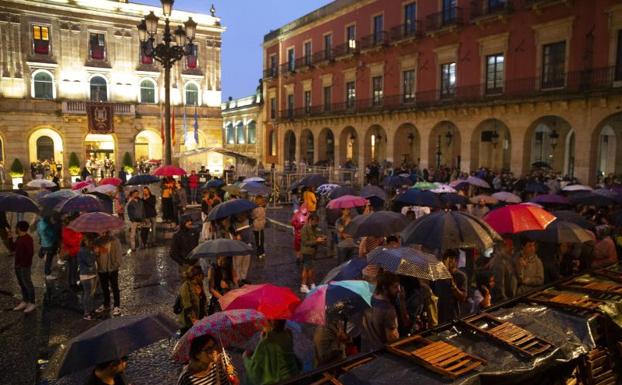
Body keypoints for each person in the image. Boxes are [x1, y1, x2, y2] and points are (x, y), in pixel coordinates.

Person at [243, 319, 301, 385]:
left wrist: (245, 358)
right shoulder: (288, 335)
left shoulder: (267, 341)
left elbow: (254, 370)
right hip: (294, 377)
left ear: (269, 322)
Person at [361, 271, 400, 352]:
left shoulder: (368, 299)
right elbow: (392, 339)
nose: (399, 290)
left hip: (367, 352)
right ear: (384, 288)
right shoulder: (388, 310)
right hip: (383, 354)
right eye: (395, 287)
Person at [8, 221, 36, 314]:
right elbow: (12, 248)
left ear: (19, 228)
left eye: (16, 227)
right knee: (22, 284)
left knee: (27, 283)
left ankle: (32, 302)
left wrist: (23, 264)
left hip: (24, 266)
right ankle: (25, 300)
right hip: (18, 265)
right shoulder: (19, 238)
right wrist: (10, 238)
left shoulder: (28, 239)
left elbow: (30, 253)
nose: (15, 229)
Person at [433, 250, 468, 324]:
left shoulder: (461, 276)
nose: (448, 263)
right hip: (440, 314)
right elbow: (435, 293)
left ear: (455, 261)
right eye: (445, 260)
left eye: (451, 260)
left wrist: (454, 287)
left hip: (454, 314)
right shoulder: (438, 275)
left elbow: (463, 297)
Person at [95, 235, 123, 317]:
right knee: (104, 287)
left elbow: (118, 256)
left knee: (114, 287)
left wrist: (114, 266)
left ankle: (117, 306)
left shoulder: (115, 241)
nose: (102, 233)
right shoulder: (97, 241)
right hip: (102, 269)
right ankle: (106, 304)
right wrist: (96, 253)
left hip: (112, 269)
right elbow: (100, 254)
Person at [177, 265, 207, 335]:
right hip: (189, 322)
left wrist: (205, 315)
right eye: (201, 275)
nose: (203, 277)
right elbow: (187, 306)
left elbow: (203, 300)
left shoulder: (200, 284)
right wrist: (194, 320)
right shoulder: (186, 286)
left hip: (200, 318)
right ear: (196, 276)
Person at [300, 213, 325, 293]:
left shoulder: (315, 228)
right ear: (310, 220)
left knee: (311, 269)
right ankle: (304, 285)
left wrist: (322, 238)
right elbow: (305, 242)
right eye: (315, 222)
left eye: (317, 222)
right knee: (307, 268)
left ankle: (311, 283)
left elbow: (318, 235)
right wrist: (316, 241)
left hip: (313, 252)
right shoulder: (305, 229)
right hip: (306, 251)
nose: (316, 223)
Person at [489, 239, 518, 303]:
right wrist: (506, 302)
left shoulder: (507, 260)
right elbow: (499, 287)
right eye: (509, 245)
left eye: (512, 244)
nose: (512, 247)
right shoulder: (498, 263)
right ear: (501, 247)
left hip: (510, 298)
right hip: (503, 303)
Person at [232, 212, 256, 284]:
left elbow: (250, 228)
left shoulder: (248, 218)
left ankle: (243, 278)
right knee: (238, 263)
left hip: (247, 243)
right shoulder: (233, 221)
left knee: (246, 262)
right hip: (238, 245)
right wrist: (236, 234)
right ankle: (238, 279)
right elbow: (230, 229)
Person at [78, 236, 98, 320]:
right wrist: (94, 253)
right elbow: (89, 262)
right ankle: (86, 312)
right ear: (84, 241)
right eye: (88, 241)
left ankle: (90, 309)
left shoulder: (85, 250)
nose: (89, 242)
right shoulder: (83, 251)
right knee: (87, 293)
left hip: (90, 274)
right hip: (87, 275)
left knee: (90, 293)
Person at [61, 215, 82, 290]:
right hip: (72, 252)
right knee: (72, 268)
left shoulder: (73, 229)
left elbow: (79, 236)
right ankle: (72, 284)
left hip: (76, 251)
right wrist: (79, 240)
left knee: (74, 268)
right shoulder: (66, 230)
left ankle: (74, 282)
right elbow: (71, 242)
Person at [37, 216, 60, 280]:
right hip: (49, 244)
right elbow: (52, 235)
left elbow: (38, 232)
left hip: (43, 242)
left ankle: (41, 254)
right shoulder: (47, 226)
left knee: (46, 256)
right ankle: (47, 274)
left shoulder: (39, 223)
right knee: (48, 260)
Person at [252, 195, 267, 260]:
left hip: (256, 225)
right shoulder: (264, 208)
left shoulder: (256, 209)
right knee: (261, 239)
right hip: (262, 225)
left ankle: (259, 253)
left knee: (258, 240)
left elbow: (253, 216)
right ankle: (262, 251)